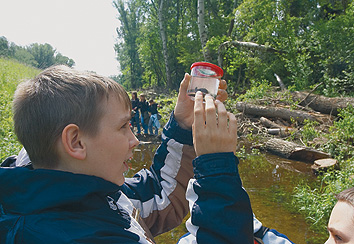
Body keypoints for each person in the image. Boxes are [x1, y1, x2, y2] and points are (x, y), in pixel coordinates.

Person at [0, 65, 255, 243]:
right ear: (75, 142)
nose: (134, 140)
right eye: (123, 126)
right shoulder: (72, 237)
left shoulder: (92, 190)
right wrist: (218, 170)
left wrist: (183, 124)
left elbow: (161, 192)